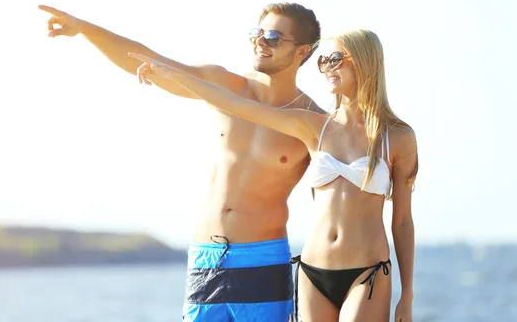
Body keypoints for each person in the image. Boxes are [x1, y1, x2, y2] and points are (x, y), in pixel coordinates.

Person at [39, 2, 324, 321]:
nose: (260, 41)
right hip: (205, 258)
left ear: (301, 52)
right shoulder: (224, 85)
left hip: (262, 259)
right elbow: (147, 58)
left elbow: (340, 198)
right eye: (257, 33)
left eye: (273, 36)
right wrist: (85, 28)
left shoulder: (313, 122)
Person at [129, 28, 418, 322]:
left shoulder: (397, 138)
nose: (327, 68)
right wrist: (173, 75)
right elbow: (238, 105)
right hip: (312, 272)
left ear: (365, 62)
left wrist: (406, 296)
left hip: (367, 272)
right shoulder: (313, 126)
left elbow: (403, 220)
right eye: (323, 62)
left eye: (335, 59)